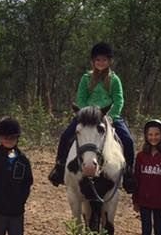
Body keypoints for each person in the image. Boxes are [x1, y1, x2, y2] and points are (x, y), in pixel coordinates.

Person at [48, 42, 136, 193]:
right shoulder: (86, 78)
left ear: (109, 61)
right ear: (93, 62)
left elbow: (119, 99)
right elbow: (81, 98)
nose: (101, 63)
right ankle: (59, 167)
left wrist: (111, 116)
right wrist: (85, 114)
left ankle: (128, 174)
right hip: (87, 116)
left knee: (127, 140)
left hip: (108, 115)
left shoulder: (114, 79)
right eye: (98, 60)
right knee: (65, 136)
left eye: (104, 60)